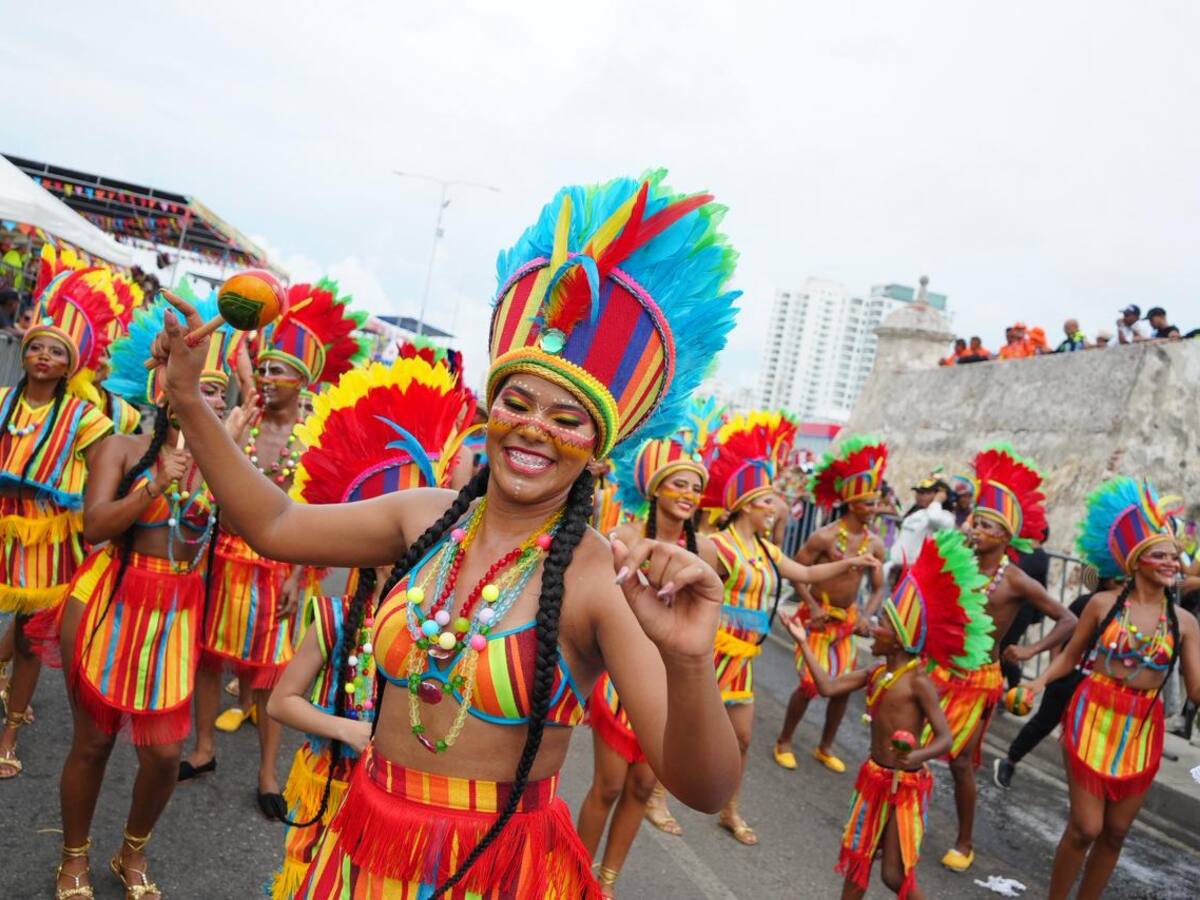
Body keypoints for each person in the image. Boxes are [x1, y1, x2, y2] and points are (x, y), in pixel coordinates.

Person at [153, 171, 745, 898]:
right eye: (517, 403)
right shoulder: (425, 515)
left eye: (566, 420)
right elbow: (274, 524)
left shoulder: (599, 578)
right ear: (489, 414)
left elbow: (703, 788)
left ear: (599, 451)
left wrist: (689, 660)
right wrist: (189, 399)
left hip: (490, 872)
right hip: (365, 849)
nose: (533, 429)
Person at [266, 352, 475, 900]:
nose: (401, 556)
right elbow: (281, 701)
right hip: (331, 792)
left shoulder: (447, 630)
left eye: (416, 543)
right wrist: (347, 730)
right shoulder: (337, 618)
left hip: (404, 811)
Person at [46, 292, 232, 899]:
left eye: (218, 392)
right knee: (93, 743)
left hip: (176, 612)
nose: (210, 398)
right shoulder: (121, 448)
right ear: (165, 387)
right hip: (110, 601)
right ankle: (74, 858)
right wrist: (152, 487)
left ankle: (132, 851)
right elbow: (94, 527)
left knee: (164, 756)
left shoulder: (223, 464)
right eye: (199, 386)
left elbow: (257, 528)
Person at [179, 279, 370, 824]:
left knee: (268, 676)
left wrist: (298, 575)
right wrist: (229, 432)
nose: (266, 377)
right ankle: (203, 749)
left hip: (278, 572)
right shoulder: (242, 421)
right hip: (225, 560)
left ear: (303, 380)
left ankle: (267, 775)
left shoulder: (312, 437)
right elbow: (207, 484)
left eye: (278, 370)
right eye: (263, 368)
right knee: (210, 659)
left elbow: (321, 508)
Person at [700, 412, 881, 846]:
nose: (777, 509)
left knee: (742, 739)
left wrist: (854, 562)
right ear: (747, 505)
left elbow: (807, 573)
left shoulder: (766, 549)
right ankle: (653, 795)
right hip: (710, 654)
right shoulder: (715, 545)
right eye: (769, 502)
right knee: (688, 731)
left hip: (744, 658)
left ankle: (729, 810)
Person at [790, 528, 992, 900]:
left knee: (894, 876)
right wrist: (804, 643)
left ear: (899, 639)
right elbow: (828, 687)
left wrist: (916, 756)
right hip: (873, 778)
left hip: (905, 785)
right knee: (857, 863)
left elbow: (945, 738)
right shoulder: (876, 672)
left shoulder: (918, 683)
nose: (872, 628)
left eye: (881, 625)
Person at [1025, 478, 1200, 900]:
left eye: (1174, 556)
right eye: (1160, 555)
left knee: (1117, 831)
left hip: (1141, 727)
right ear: (1137, 561)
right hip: (1093, 715)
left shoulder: (1185, 622)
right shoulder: (1102, 605)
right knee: (1086, 827)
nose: (1171, 563)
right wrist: (1038, 682)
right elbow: (1071, 656)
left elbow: (1196, 691)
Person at [577, 428, 718, 895]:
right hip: (622, 678)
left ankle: (606, 882)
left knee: (641, 787)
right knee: (609, 785)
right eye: (679, 484)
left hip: (671, 683)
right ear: (655, 489)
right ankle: (573, 877)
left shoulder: (705, 551)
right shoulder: (624, 537)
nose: (689, 494)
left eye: (696, 487)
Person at [931, 445, 1077, 872]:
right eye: (975, 521)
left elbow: (1068, 618)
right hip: (937, 668)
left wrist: (1029, 650)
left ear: (1006, 537)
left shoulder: (1016, 580)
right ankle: (897, 824)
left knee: (960, 762)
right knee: (910, 746)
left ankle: (964, 841)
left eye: (987, 525)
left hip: (978, 680)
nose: (976, 529)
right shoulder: (955, 561)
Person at [0, 268, 116, 780]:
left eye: (56, 351)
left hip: (47, 536)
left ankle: (10, 732)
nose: (44, 356)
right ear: (24, 353)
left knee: (29, 637)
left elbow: (111, 466)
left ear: (71, 364)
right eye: (36, 347)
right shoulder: (2, 399)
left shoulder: (84, 416)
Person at [776, 436, 888, 774]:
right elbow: (797, 572)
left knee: (842, 690)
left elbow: (878, 588)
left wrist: (866, 615)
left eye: (876, 503)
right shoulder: (824, 536)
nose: (875, 509)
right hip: (815, 621)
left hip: (847, 624)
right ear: (852, 504)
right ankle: (784, 740)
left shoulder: (876, 544)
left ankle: (825, 746)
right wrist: (812, 604)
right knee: (810, 685)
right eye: (869, 503)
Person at [993, 570, 1118, 790]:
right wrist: (1055, 671)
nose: (1123, 584)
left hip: (1100, 686)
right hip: (1069, 676)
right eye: (1117, 578)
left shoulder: (1130, 614)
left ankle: (1086, 790)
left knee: (1087, 736)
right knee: (1043, 723)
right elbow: (1062, 637)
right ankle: (1009, 761)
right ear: (1104, 579)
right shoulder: (1086, 603)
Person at [887, 478, 954, 583]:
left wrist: (937, 501)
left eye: (925, 493)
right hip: (897, 571)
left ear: (939, 495)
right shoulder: (916, 514)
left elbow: (934, 518)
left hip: (916, 574)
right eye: (918, 492)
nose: (920, 496)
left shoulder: (946, 516)